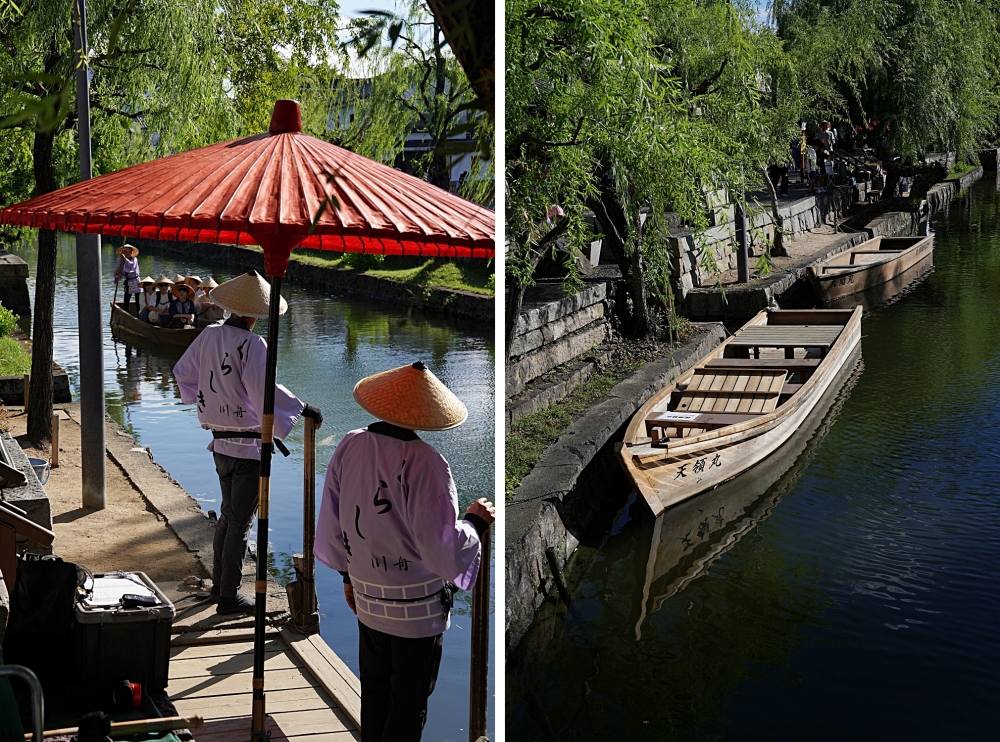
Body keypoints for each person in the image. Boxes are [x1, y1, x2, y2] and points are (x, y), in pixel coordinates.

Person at [314, 362, 495, 742]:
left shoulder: (350, 444)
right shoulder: (426, 461)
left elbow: (333, 519)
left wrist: (347, 576)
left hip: (366, 593)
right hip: (416, 608)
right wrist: (475, 523)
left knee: (375, 694)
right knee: (409, 704)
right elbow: (439, 545)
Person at [173, 270, 322, 614]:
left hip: (220, 442)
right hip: (248, 448)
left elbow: (183, 373)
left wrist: (206, 401)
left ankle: (219, 587)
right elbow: (263, 390)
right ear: (256, 313)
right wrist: (302, 408)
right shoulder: (253, 344)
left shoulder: (209, 335)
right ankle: (228, 595)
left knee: (228, 517)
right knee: (240, 523)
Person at [114, 244, 141, 315]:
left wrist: (125, 259)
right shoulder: (121, 261)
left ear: (131, 252)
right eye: (125, 252)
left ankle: (139, 314)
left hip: (136, 281)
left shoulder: (134, 259)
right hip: (128, 282)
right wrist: (117, 274)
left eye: (129, 252)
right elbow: (119, 272)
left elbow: (131, 266)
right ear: (123, 253)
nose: (127, 254)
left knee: (138, 300)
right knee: (126, 300)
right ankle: (127, 314)